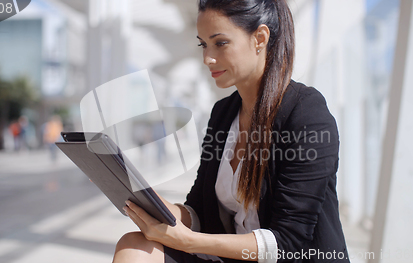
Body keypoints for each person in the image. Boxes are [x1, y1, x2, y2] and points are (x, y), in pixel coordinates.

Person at [113, 0, 349, 262]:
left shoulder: (306, 113)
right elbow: (200, 210)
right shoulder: (223, 114)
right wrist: (149, 200)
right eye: (203, 44)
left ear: (259, 38)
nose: (207, 58)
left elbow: (288, 243)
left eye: (220, 43)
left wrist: (188, 241)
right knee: (134, 245)